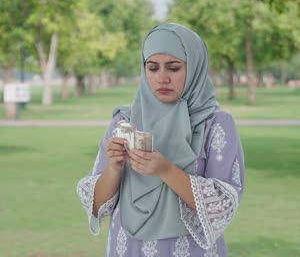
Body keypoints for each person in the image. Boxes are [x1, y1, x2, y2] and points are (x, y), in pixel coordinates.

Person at [77, 23, 245, 257]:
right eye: (153, 68)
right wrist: (114, 168)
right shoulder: (123, 121)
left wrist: (165, 169)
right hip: (127, 247)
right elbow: (97, 205)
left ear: (194, 67)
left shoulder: (215, 125)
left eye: (174, 68)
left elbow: (222, 205)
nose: (162, 78)